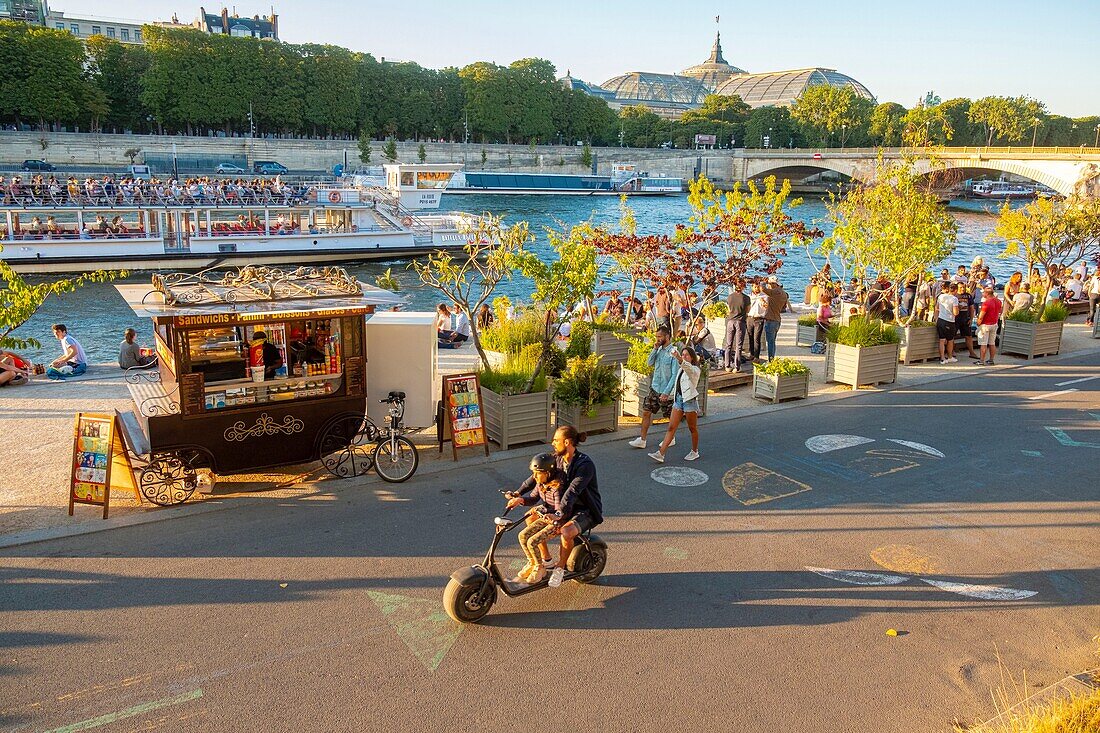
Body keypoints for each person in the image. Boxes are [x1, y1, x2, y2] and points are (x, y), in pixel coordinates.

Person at [545, 425, 603, 588]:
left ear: (567, 442)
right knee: (532, 517)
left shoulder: (585, 464)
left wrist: (558, 513)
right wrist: (520, 495)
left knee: (566, 532)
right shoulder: (556, 459)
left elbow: (572, 492)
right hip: (563, 507)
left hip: (585, 510)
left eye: (556, 440)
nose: (553, 443)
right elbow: (537, 476)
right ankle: (547, 561)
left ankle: (560, 568)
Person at [505, 453, 566, 585]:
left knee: (532, 541)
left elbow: (558, 510)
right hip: (546, 518)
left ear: (548, 473)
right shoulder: (540, 484)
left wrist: (541, 509)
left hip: (557, 521)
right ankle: (533, 562)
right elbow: (533, 498)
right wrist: (519, 499)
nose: (535, 477)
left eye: (538, 473)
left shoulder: (557, 489)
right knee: (522, 536)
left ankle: (540, 568)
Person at [627, 326, 678, 450]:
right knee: (646, 412)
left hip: (666, 390)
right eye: (656, 337)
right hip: (655, 388)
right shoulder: (658, 350)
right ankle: (642, 440)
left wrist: (667, 392)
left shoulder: (673, 353)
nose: (657, 339)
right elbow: (649, 363)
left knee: (669, 416)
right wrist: (654, 349)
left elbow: (674, 375)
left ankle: (671, 438)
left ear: (667, 337)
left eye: (660, 336)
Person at [648, 346, 702, 463]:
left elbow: (688, 368)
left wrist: (679, 358)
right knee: (671, 427)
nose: (684, 357)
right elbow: (677, 383)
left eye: (686, 355)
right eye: (682, 354)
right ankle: (661, 453)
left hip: (689, 401)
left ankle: (695, 451)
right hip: (678, 400)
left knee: (692, 428)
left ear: (692, 358)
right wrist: (667, 394)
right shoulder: (681, 369)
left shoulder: (695, 370)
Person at [723, 278, 748, 372]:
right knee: (738, 345)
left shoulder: (729, 297)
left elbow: (728, 309)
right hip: (740, 321)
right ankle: (737, 366)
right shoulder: (745, 298)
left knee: (728, 344)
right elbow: (748, 310)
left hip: (730, 321)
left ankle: (727, 365)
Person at [762, 275, 790, 361]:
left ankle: (771, 360)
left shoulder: (774, 292)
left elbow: (763, 289)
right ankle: (772, 359)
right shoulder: (784, 294)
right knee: (772, 342)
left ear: (774, 284)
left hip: (771, 321)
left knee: (770, 343)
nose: (769, 285)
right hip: (777, 319)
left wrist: (763, 282)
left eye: (770, 284)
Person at [975, 286, 1001, 366]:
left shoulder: (986, 303)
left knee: (983, 343)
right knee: (992, 343)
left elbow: (981, 316)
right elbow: (1000, 311)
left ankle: (981, 360)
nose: (982, 293)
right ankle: (991, 359)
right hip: (994, 323)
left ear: (986, 293)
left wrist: (978, 323)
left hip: (985, 325)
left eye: (983, 292)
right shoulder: (998, 301)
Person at [936, 283, 960, 364]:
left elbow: (937, 307)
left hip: (940, 319)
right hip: (949, 321)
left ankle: (942, 358)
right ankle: (949, 356)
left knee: (941, 340)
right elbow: (955, 312)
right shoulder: (954, 299)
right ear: (955, 290)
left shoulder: (941, 296)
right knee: (950, 340)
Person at [746, 281, 769, 362]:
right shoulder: (749, 296)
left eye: (758, 287)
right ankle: (751, 354)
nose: (756, 288)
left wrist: (763, 302)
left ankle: (756, 356)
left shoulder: (764, 296)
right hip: (750, 318)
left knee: (757, 338)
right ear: (752, 287)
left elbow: (766, 308)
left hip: (759, 318)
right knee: (750, 336)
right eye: (755, 287)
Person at [955, 281, 978, 359]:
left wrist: (971, 319)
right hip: (956, 319)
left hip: (965, 318)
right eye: (960, 287)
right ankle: (952, 351)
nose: (962, 289)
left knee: (968, 336)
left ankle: (971, 352)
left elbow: (971, 308)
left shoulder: (968, 296)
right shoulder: (955, 296)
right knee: (952, 336)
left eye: (964, 287)